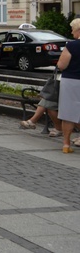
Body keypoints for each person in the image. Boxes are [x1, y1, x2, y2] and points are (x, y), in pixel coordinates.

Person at [57, 18, 80, 153]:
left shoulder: (71, 46)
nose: (71, 32)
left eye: (73, 29)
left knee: (68, 113)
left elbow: (61, 65)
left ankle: (66, 144)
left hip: (71, 81)